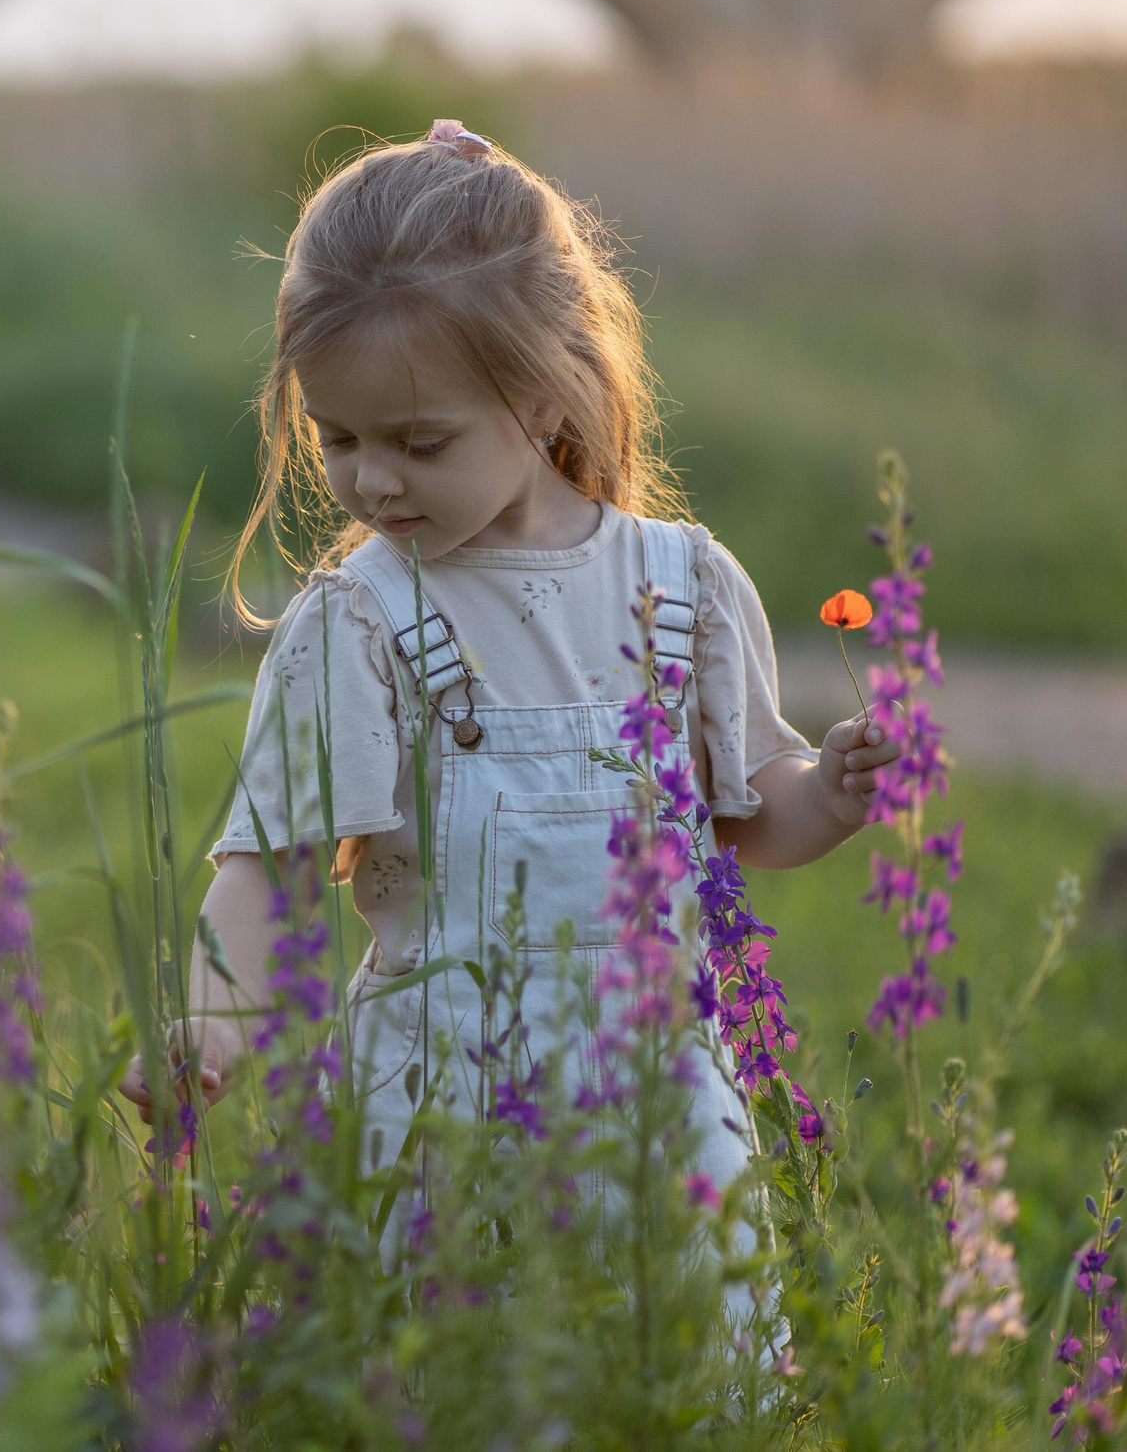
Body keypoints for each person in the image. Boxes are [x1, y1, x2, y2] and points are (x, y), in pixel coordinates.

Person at [120, 120, 899, 1204]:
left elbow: (754, 819)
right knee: (454, 1359)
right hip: (435, 1112)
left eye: (418, 443)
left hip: (658, 1112)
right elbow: (275, 867)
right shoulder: (358, 619)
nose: (372, 484)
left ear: (540, 395)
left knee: (664, 1364)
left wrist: (830, 789)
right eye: (337, 439)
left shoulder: (682, 586)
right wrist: (210, 1024)